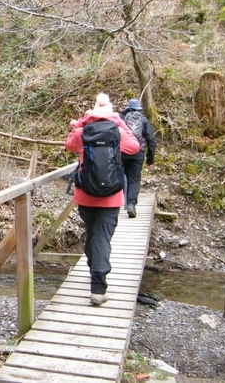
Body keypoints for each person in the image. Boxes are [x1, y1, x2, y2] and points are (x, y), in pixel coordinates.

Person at [64, 93, 140, 305]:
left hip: (85, 194)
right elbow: (134, 147)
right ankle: (98, 288)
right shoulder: (117, 130)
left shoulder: (82, 130)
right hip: (112, 195)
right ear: (112, 113)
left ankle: (93, 269)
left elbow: (68, 145)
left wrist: (80, 123)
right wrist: (121, 124)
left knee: (92, 234)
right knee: (102, 238)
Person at [119, 99, 156, 218]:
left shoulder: (121, 119)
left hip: (122, 153)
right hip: (138, 153)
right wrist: (150, 158)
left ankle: (119, 203)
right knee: (134, 179)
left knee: (121, 176)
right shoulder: (143, 119)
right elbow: (151, 140)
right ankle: (131, 204)